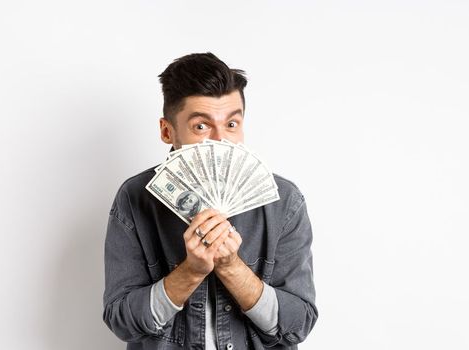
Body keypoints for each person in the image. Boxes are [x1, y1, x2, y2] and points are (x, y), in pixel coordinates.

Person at [102, 52, 317, 349]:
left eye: (231, 124)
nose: (220, 142)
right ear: (167, 131)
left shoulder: (284, 201)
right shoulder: (136, 198)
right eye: (201, 126)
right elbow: (121, 319)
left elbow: (298, 324)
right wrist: (190, 271)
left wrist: (231, 267)